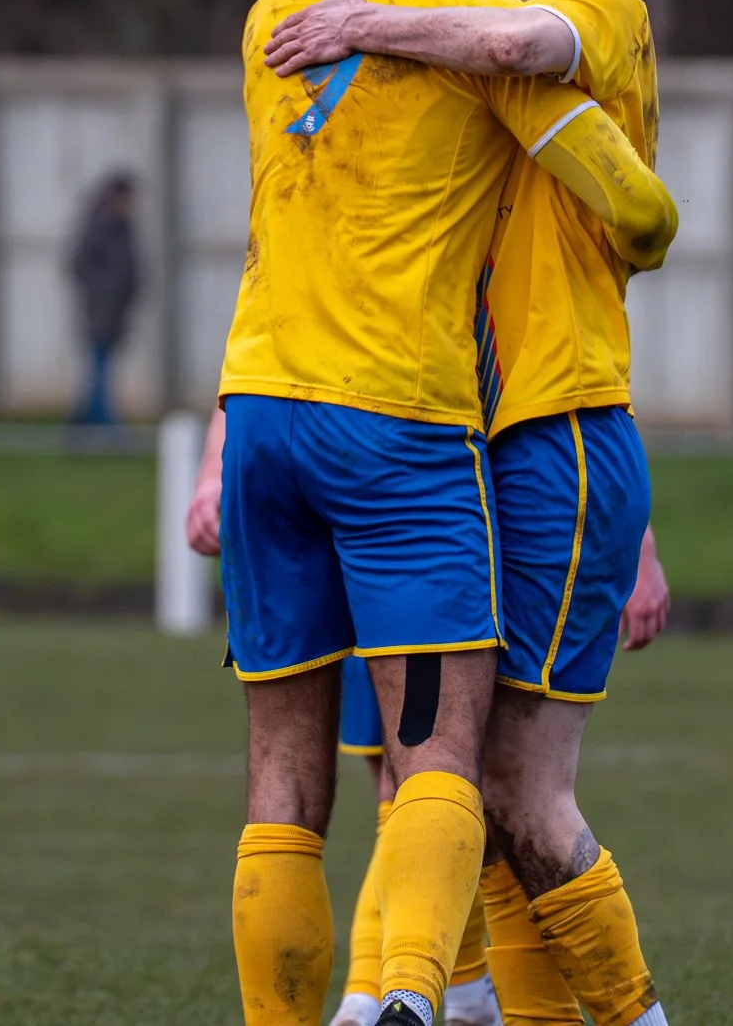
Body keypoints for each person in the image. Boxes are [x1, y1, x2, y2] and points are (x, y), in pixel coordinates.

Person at [218, 0, 678, 1026]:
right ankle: (405, 1003)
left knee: (285, 786)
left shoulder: (275, 13)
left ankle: (375, 1006)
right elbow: (639, 213)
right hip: (400, 429)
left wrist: (216, 437)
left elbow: (267, 235)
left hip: (263, 413)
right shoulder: (480, 21)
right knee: (443, 766)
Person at [186, 406, 673, 1026]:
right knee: (451, 776)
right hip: (417, 435)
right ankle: (411, 994)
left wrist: (214, 463)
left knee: (466, 784)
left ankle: (397, 996)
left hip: (346, 430)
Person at [66, 170, 140, 426]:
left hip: (115, 314)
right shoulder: (99, 225)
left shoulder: (123, 227)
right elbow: (78, 264)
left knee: (101, 370)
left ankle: (83, 423)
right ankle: (105, 425)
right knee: (99, 370)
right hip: (99, 313)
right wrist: (107, 290)